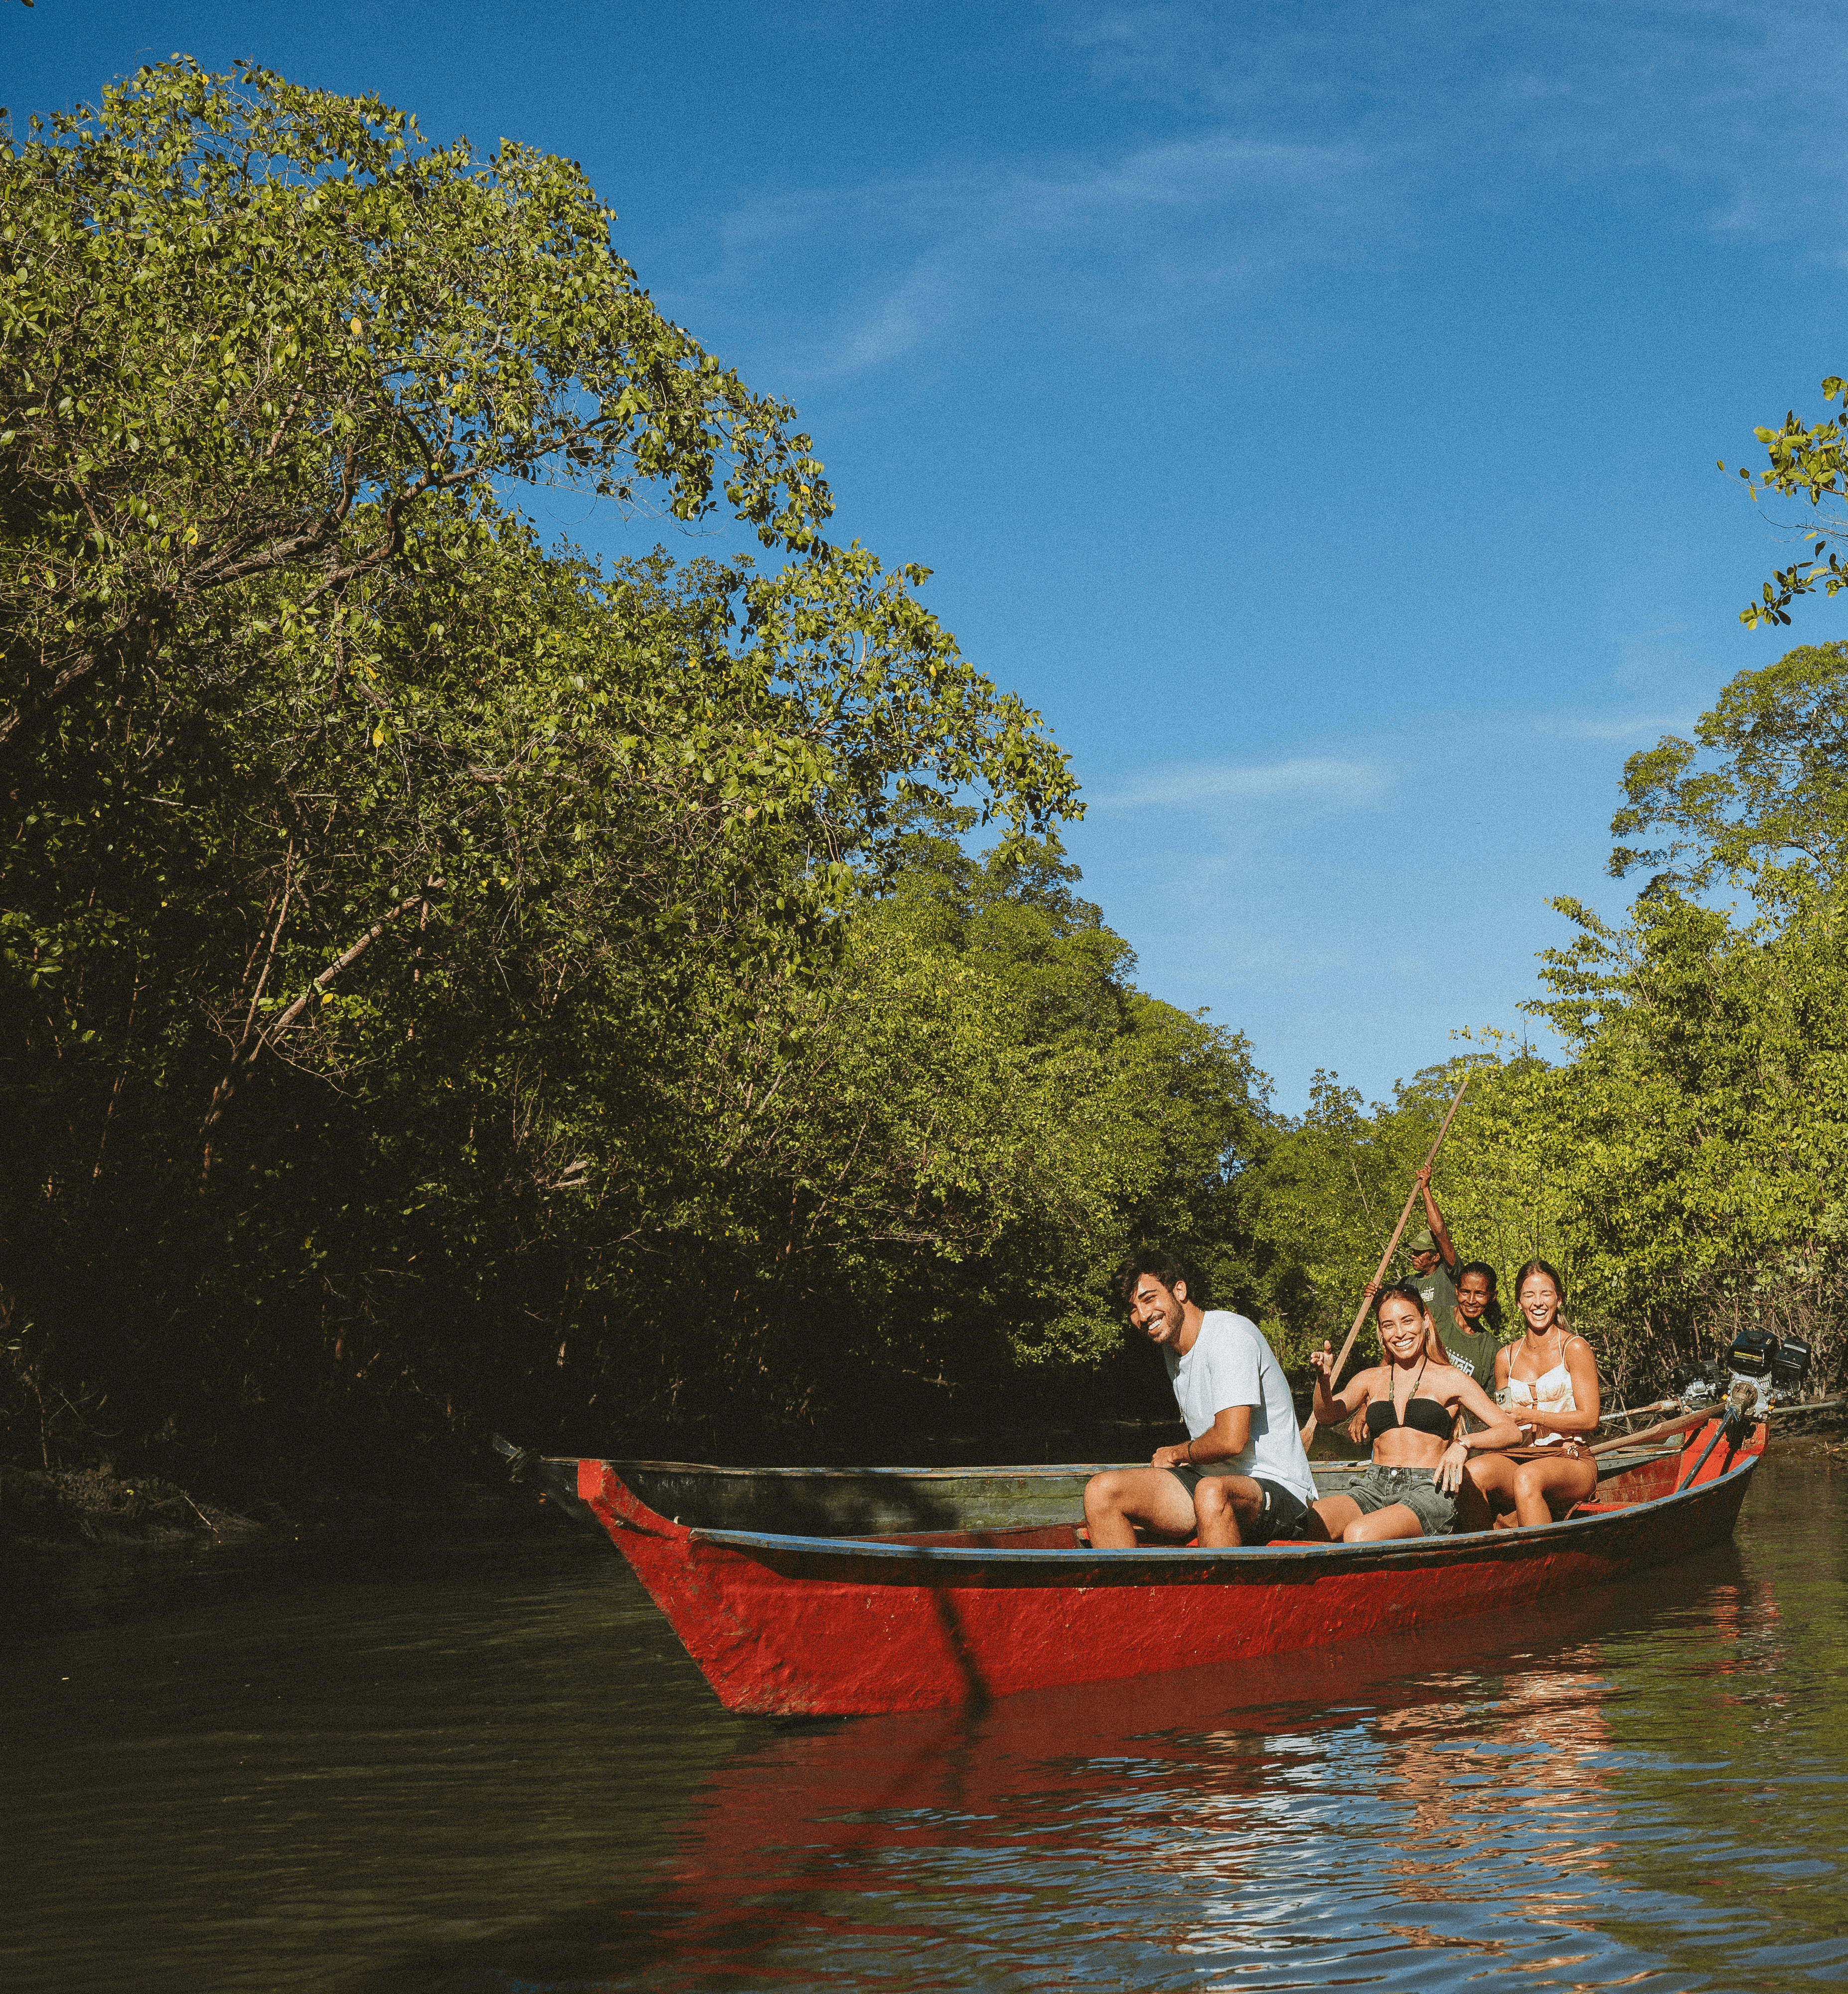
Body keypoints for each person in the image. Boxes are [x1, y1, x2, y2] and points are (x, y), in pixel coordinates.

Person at [1083, 1252, 1322, 1549]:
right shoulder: (1172, 1351)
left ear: (1179, 1291)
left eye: (1149, 1299)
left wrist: (1175, 1453)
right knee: (1101, 1491)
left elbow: (1231, 1440)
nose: (1143, 1316)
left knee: (1211, 1492)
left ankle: (1225, 1594)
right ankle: (1129, 1594)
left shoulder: (1228, 1335)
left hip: (1279, 1490)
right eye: (1133, 1308)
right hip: (1209, 1481)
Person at [1309, 1281, 1521, 1541]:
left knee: (1360, 1533)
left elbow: (1510, 1432)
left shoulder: (1450, 1378)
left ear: (1426, 1322)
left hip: (1429, 1489)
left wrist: (1463, 1444)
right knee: (1314, 1519)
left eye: (1407, 1321)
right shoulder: (1371, 1378)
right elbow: (1326, 1415)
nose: (1399, 1333)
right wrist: (1323, 1381)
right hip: (1373, 1486)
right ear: (1381, 1332)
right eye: (1389, 1325)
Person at [1466, 1260, 1600, 1528]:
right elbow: (1505, 1420)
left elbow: (1589, 1420)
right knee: (1472, 1472)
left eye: (1546, 1294)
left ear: (1558, 1300)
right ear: (1519, 1303)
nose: (1538, 1303)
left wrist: (1531, 1415)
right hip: (1522, 1457)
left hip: (1570, 1459)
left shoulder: (1575, 1348)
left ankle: (1540, 1561)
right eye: (1529, 1295)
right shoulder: (1505, 1357)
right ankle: (1486, 1555)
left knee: (1528, 1477)